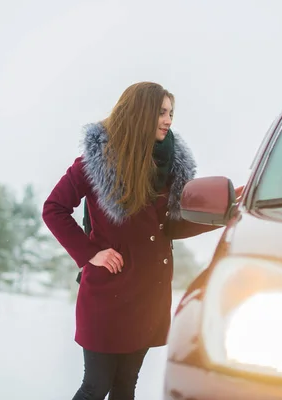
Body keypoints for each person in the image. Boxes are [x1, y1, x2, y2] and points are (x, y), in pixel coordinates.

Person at [42, 82, 242, 400]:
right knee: (96, 386)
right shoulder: (95, 162)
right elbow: (54, 209)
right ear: (141, 113)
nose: (168, 120)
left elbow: (170, 227)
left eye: (171, 113)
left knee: (126, 387)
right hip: (107, 295)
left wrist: (225, 211)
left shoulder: (170, 165)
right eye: (161, 112)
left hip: (148, 294)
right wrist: (90, 253)